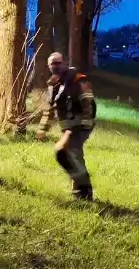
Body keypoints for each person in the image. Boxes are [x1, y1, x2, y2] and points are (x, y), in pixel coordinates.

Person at [35, 53, 97, 200]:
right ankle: (81, 193)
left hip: (80, 126)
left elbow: (89, 105)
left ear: (65, 63)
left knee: (63, 152)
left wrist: (80, 128)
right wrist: (42, 129)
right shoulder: (54, 85)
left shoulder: (78, 80)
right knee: (73, 156)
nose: (55, 66)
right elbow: (49, 110)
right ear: (48, 66)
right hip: (69, 128)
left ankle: (84, 192)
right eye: (52, 64)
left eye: (58, 63)